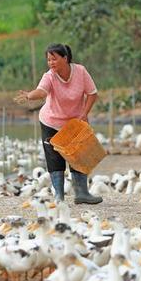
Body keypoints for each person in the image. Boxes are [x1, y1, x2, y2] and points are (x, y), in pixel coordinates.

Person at [14, 43, 102, 204]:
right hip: (51, 122)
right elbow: (41, 91)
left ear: (65, 58)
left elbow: (92, 94)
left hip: (74, 122)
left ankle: (82, 194)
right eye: (48, 60)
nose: (51, 63)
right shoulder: (49, 76)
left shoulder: (80, 71)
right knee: (55, 159)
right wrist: (29, 95)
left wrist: (84, 114)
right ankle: (59, 197)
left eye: (54, 59)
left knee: (79, 156)